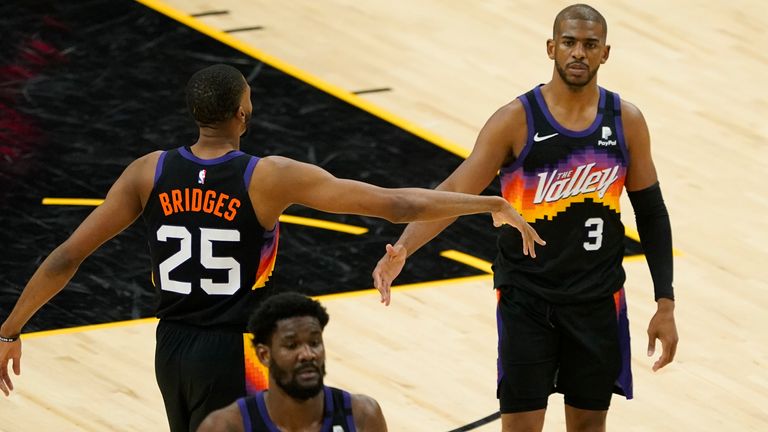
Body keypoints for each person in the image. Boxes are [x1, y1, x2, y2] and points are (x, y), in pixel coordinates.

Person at [0, 64, 544, 431]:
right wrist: (490, 204)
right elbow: (394, 203)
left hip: (171, 349)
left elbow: (68, 256)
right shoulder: (267, 177)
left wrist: (10, 328)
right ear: (242, 113)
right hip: (235, 349)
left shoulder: (150, 171)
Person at [372, 4, 679, 431]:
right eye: (569, 43)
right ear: (551, 47)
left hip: (597, 300)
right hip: (526, 299)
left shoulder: (626, 121)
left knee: (590, 425)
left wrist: (665, 302)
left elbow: (651, 212)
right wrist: (404, 246)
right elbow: (456, 190)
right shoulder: (515, 120)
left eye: (590, 45)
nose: (578, 53)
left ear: (605, 53)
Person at [197, 292, 386, 432]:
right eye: (291, 345)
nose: (307, 354)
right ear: (264, 355)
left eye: (314, 343)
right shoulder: (225, 427)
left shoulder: (362, 416)